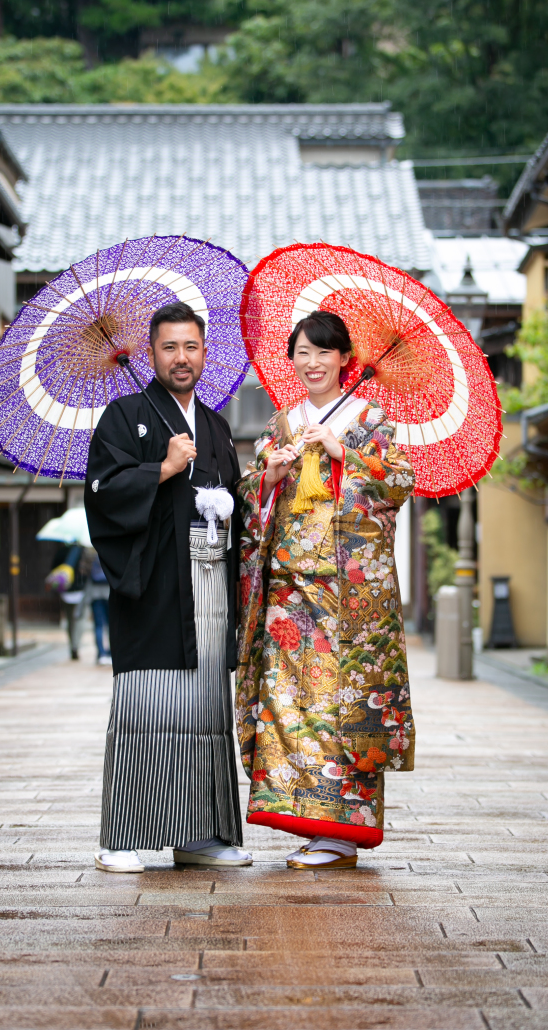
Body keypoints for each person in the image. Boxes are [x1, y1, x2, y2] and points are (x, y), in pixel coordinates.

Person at [236, 310, 416, 870]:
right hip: (289, 593)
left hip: (345, 597)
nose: (312, 363)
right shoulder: (283, 422)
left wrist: (343, 452)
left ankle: (342, 834)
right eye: (302, 353)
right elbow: (250, 494)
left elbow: (400, 481)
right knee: (289, 709)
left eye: (323, 352)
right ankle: (307, 822)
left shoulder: (368, 418)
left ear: (345, 360)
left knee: (342, 710)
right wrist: (270, 474)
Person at [85, 301, 251, 873]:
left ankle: (200, 836)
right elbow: (103, 493)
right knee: (146, 708)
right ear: (152, 353)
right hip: (155, 589)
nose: (181, 358)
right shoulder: (122, 416)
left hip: (208, 591)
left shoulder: (219, 427)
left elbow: (237, 506)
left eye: (191, 347)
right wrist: (161, 467)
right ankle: (125, 838)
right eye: (169, 347)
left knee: (206, 713)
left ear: (205, 353)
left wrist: (259, 486)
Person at [82, 549, 111, 665]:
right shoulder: (110, 550)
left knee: (98, 625)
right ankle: (111, 653)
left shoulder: (90, 553)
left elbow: (84, 572)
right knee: (111, 625)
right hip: (109, 592)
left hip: (94, 593)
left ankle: (101, 653)